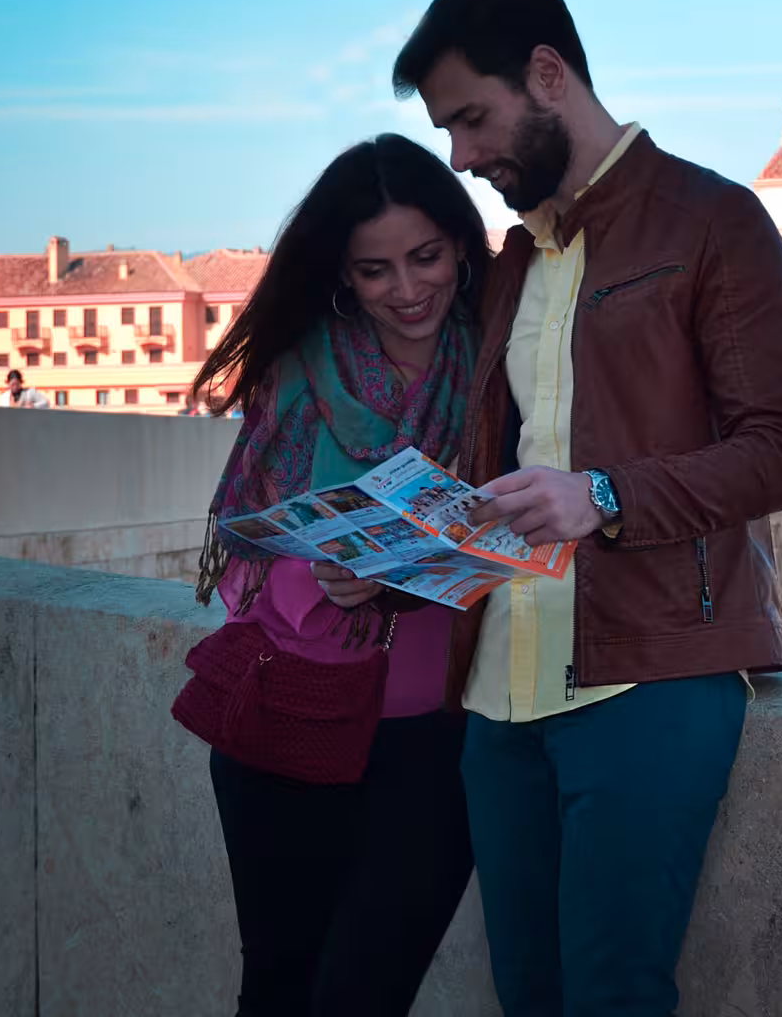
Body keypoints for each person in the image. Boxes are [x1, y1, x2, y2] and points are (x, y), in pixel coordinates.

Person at [390, 0, 782, 1016]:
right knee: (529, 996)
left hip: (653, 683)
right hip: (496, 697)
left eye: (473, 119)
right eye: (449, 131)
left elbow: (780, 452)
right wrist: (394, 555)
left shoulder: (716, 221)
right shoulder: (506, 264)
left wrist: (605, 496)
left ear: (548, 75)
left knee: (615, 996)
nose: (463, 154)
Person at [186, 134, 488, 1017]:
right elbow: (246, 562)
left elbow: (528, 540)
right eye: (375, 270)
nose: (407, 289)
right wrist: (329, 566)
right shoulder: (295, 370)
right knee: (277, 990)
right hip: (287, 722)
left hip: (435, 745)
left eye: (426, 257)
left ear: (461, 246)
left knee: (364, 995)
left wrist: (414, 567)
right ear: (342, 276)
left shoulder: (501, 367)